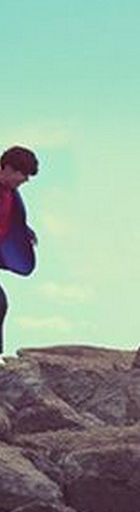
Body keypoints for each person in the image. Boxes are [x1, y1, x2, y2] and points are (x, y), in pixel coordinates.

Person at [0, 145, 39, 355]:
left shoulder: (11, 194)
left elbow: (12, 219)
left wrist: (25, 231)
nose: (25, 179)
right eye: (21, 173)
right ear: (6, 168)